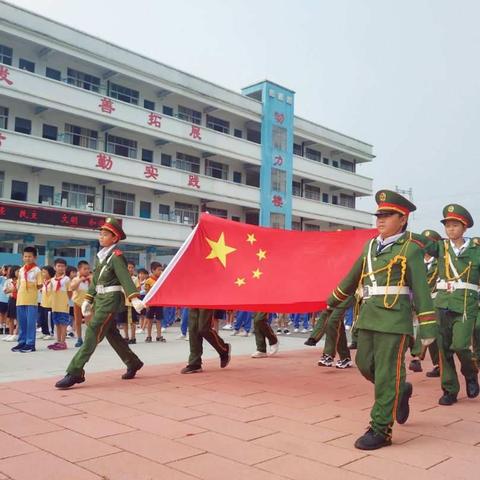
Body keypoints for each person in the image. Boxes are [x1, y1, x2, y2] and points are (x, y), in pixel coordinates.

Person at [325, 190, 437, 450]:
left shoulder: (410, 248)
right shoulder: (371, 245)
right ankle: (400, 389)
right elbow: (353, 275)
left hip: (394, 320)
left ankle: (381, 429)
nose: (380, 220)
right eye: (379, 215)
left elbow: (421, 288)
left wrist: (427, 325)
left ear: (403, 219)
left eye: (387, 216)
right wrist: (332, 299)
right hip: (369, 316)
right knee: (364, 365)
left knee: (387, 374)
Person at [55, 217, 145, 389]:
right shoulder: (101, 257)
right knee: (112, 334)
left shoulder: (116, 257)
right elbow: (96, 281)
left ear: (115, 238)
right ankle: (132, 362)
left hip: (111, 301)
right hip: (101, 300)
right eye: (100, 233)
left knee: (93, 331)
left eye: (105, 234)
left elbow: (125, 278)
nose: (101, 236)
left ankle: (75, 371)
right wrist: (88, 299)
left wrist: (134, 298)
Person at [426, 204, 480, 406]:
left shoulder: (476, 250)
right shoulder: (440, 247)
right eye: (447, 225)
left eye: (455, 225)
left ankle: (470, 373)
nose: (450, 229)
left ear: (464, 228)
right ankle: (450, 389)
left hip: (466, 304)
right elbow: (421, 243)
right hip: (443, 303)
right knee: (444, 348)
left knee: (460, 345)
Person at [408, 229, 441, 377]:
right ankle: (438, 364)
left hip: (435, 300)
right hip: (420, 299)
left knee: (425, 327)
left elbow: (428, 282)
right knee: (431, 334)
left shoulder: (440, 263)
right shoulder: (416, 260)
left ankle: (416, 357)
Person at [11, 247, 42, 353]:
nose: (27, 258)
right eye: (25, 256)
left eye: (30, 256)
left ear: (35, 257)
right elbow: (18, 285)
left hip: (31, 301)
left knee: (30, 323)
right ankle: (22, 342)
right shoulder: (21, 270)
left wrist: (30, 288)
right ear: (22, 257)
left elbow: (39, 285)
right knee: (22, 322)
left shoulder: (37, 270)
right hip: (20, 300)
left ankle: (30, 344)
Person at [181, 308, 231, 374]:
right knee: (193, 328)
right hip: (192, 299)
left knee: (204, 328)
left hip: (206, 299)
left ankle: (223, 348)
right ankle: (195, 363)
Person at [317, 297, 354, 369]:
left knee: (332, 322)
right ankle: (345, 357)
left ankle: (329, 355)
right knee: (337, 324)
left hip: (347, 294)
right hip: (338, 295)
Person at [48, 258, 72, 351]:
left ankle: (63, 342)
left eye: (62, 266)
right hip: (55, 305)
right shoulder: (52, 280)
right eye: (58, 266)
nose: (60, 268)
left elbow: (69, 292)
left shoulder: (66, 279)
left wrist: (66, 301)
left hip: (63, 305)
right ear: (54, 267)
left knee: (63, 324)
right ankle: (58, 341)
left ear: (65, 268)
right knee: (57, 323)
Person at [70, 260, 92, 347]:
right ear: (79, 269)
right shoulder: (75, 279)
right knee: (78, 321)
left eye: (88, 269)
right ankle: (79, 338)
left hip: (88, 303)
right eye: (84, 269)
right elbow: (72, 288)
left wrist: (90, 281)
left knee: (89, 322)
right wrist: (80, 280)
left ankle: (90, 339)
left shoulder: (91, 278)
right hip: (77, 303)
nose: (87, 270)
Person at [144, 262, 165, 342]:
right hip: (151, 303)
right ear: (153, 270)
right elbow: (147, 293)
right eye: (158, 270)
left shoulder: (161, 280)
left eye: (161, 270)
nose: (160, 271)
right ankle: (149, 336)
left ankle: (159, 336)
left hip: (159, 302)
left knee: (159, 320)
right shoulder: (148, 281)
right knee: (149, 320)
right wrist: (147, 303)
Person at [2, 266, 19, 342]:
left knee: (18, 318)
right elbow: (5, 291)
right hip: (12, 299)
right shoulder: (8, 281)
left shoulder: (21, 280)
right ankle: (10, 333)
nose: (19, 273)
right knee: (10, 317)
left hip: (20, 300)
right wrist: (12, 290)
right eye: (17, 271)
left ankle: (16, 334)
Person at [39, 265, 55, 340]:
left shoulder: (53, 281)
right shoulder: (43, 282)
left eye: (44, 272)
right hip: (43, 303)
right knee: (42, 319)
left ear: (50, 273)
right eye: (42, 272)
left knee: (49, 319)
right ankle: (44, 332)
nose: (43, 274)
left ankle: (50, 333)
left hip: (50, 304)